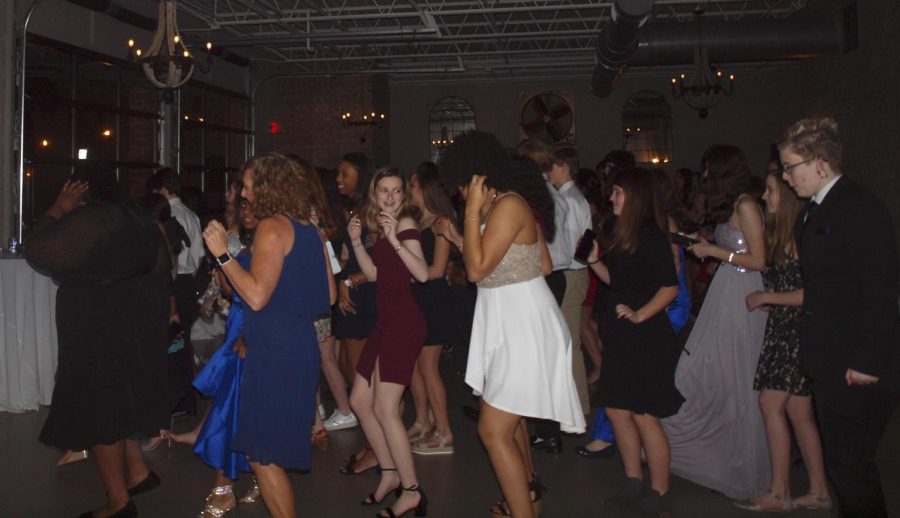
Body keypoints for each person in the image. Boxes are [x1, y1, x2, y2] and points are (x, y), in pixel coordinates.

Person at [440, 131, 585, 517]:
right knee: (510, 422)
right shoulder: (498, 209)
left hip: (523, 325)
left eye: (462, 182)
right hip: (507, 321)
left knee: (493, 430)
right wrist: (469, 224)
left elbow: (474, 270)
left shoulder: (508, 205)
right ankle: (528, 501)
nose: (458, 190)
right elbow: (521, 264)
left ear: (475, 175)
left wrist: (471, 211)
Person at [27, 169, 171, 518]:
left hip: (96, 322)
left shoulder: (94, 218)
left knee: (99, 409)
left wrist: (59, 207)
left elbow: (39, 252)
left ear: (81, 191)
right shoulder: (137, 216)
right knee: (119, 400)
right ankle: (138, 472)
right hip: (131, 318)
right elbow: (162, 265)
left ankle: (118, 502)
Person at [202, 153, 335, 518]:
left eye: (247, 185)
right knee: (263, 450)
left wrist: (222, 256)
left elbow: (257, 296)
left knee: (262, 453)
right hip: (298, 346)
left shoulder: (272, 228)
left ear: (266, 186)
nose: (243, 193)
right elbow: (331, 296)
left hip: (276, 350)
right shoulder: (307, 226)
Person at [779, 117, 898, 517]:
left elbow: (880, 290)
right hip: (831, 357)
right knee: (844, 463)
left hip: (856, 362)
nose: (785, 176)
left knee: (851, 465)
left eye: (791, 167)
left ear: (820, 164)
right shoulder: (814, 210)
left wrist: (866, 360)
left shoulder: (858, 207)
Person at [661, 145, 770, 500]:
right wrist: (703, 243)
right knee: (711, 368)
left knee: (737, 372)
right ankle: (719, 451)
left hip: (743, 291)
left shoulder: (747, 205)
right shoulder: (731, 206)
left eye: (708, 170)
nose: (703, 176)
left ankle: (742, 464)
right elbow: (734, 250)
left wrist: (713, 252)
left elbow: (758, 259)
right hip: (726, 288)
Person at [586, 168, 684, 516]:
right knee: (615, 409)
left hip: (645, 337)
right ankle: (633, 481)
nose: (611, 198)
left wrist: (642, 314)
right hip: (622, 332)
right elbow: (618, 280)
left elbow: (670, 287)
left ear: (635, 197)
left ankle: (659, 492)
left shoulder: (653, 236)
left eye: (618, 192)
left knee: (644, 415)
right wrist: (595, 262)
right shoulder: (622, 232)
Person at [733, 168, 830, 512]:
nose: (765, 197)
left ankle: (779, 491)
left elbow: (812, 293)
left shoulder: (799, 239)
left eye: (771, 191)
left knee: (770, 404)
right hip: (786, 329)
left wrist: (768, 299)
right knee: (799, 412)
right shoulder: (787, 235)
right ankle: (819, 490)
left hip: (796, 333)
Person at [346, 167, 430, 517]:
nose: (391, 197)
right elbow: (378, 275)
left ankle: (412, 491)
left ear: (404, 195)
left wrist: (396, 239)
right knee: (359, 400)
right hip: (387, 322)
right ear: (374, 194)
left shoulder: (405, 224)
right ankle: (390, 472)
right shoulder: (382, 225)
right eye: (384, 191)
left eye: (396, 191)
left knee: (384, 408)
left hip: (404, 323)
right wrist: (354, 241)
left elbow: (422, 274)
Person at [407, 162, 457, 455]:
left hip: (433, 301)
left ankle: (445, 431)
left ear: (425, 188)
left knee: (428, 367)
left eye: (412, 184)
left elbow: (437, 269)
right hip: (417, 300)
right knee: (413, 366)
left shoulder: (440, 222)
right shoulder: (419, 221)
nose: (410, 189)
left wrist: (408, 273)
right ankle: (423, 421)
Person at [146, 167, 204, 418]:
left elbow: (173, 257)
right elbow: (199, 255)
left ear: (165, 189)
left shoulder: (171, 216)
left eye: (156, 190)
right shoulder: (191, 214)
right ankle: (187, 400)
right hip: (187, 282)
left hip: (174, 283)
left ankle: (177, 400)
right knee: (183, 342)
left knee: (173, 345)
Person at [330, 153, 375, 438]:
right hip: (351, 288)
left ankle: (375, 424)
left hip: (367, 290)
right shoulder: (352, 210)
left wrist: (349, 280)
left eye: (345, 173)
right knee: (347, 363)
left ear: (361, 175)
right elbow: (348, 255)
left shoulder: (370, 211)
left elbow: (381, 260)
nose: (338, 179)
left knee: (359, 369)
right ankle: (369, 422)